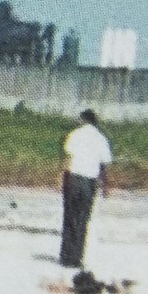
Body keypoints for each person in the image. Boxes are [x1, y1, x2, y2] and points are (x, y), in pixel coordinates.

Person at [59, 108, 111, 268]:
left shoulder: (75, 134)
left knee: (69, 217)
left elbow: (68, 159)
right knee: (83, 219)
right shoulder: (101, 138)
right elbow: (103, 165)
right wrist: (105, 186)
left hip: (73, 179)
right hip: (90, 182)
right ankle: (77, 258)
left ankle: (66, 257)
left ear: (83, 120)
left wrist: (61, 179)